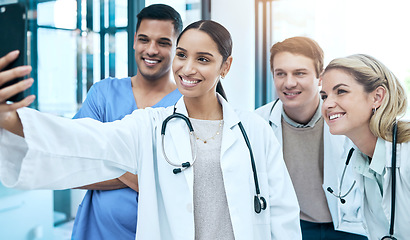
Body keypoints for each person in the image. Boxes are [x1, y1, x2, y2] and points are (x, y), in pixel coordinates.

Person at [0, 20, 302, 239]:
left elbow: (282, 212)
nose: (187, 68)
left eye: (204, 59)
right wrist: (9, 119)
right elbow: (83, 140)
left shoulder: (255, 131)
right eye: (182, 55)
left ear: (225, 66)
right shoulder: (151, 125)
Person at [70, 4, 182, 239]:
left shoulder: (186, 105)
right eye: (144, 39)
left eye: (163, 42)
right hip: (98, 232)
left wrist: (106, 158)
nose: (151, 50)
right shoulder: (103, 94)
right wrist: (141, 174)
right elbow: (72, 167)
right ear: (134, 41)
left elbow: (183, 185)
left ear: (177, 48)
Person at [255, 37, 368, 239]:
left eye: (300, 73)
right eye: (281, 74)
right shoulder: (257, 123)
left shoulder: (346, 117)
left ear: (320, 77)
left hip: (349, 227)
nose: (289, 83)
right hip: (295, 227)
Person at [320, 54, 410, 240]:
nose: (327, 104)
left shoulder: (407, 152)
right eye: (324, 96)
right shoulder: (361, 159)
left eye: (341, 91)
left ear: (377, 97)